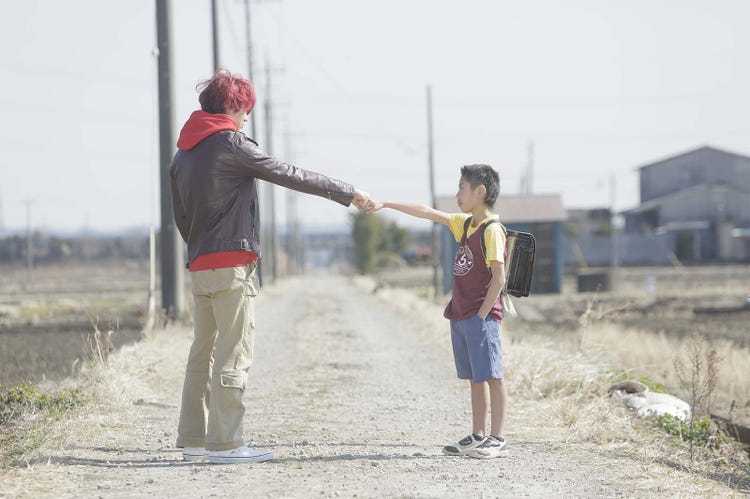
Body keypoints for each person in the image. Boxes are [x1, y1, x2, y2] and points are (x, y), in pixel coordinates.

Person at [170, 68, 370, 464]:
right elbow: (288, 173)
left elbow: (180, 214)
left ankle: (192, 439)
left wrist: (198, 251)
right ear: (233, 106)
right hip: (233, 264)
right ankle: (227, 444)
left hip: (200, 263)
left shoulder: (183, 152)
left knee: (202, 353)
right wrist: (348, 193)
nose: (247, 118)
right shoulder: (231, 143)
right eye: (245, 110)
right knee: (234, 351)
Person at [366, 164, 508, 459]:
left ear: (480, 192)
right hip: (462, 314)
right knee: (475, 377)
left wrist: (482, 315)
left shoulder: (492, 230)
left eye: (462, 188)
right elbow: (427, 212)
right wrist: (386, 204)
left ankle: (497, 438)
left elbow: (499, 278)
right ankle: (477, 434)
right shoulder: (466, 224)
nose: (457, 194)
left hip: (480, 316)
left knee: (493, 376)